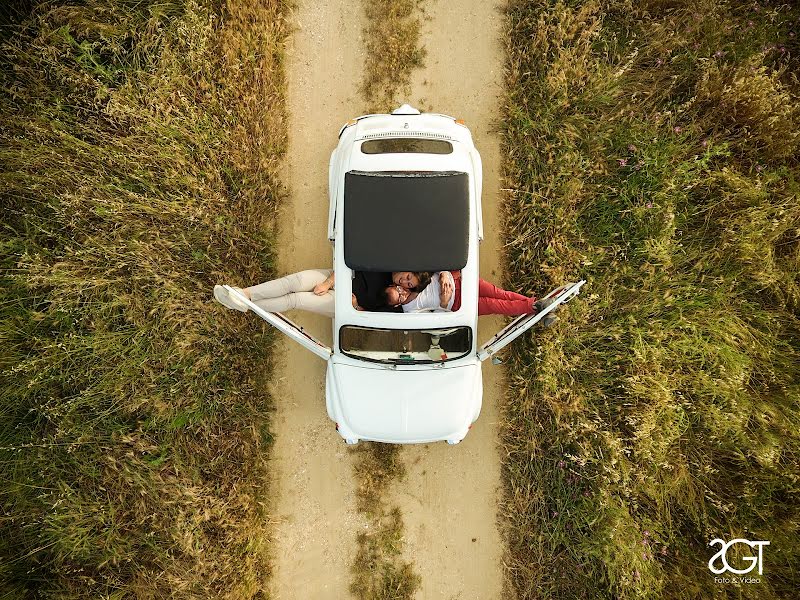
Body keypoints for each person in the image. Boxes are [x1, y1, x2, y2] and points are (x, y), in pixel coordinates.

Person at [213, 270, 399, 316]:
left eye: (408, 285)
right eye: (406, 278)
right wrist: (328, 282)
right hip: (335, 277)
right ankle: (241, 296)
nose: (403, 284)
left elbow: (374, 320)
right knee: (293, 282)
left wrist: (356, 307)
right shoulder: (384, 268)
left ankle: (242, 302)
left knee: (294, 300)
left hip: (344, 301)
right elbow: (352, 263)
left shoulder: (396, 306)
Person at [389, 271, 548, 316]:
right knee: (495, 305)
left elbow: (441, 262)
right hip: (458, 303)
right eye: (399, 297)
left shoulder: (418, 275)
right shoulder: (409, 310)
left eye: (400, 284)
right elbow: (434, 319)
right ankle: (533, 307)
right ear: (397, 304)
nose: (403, 288)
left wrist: (444, 273)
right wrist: (444, 304)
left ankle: (535, 303)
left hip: (461, 281)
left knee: (500, 294)